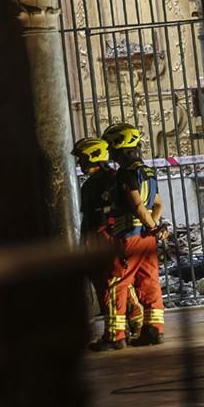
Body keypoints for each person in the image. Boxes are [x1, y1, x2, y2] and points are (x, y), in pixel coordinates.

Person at [95, 122, 166, 350]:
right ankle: (154, 329)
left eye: (113, 149)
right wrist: (154, 228)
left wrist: (150, 225)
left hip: (129, 236)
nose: (112, 154)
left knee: (117, 282)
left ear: (121, 148)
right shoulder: (147, 171)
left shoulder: (127, 174)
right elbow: (158, 204)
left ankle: (115, 336)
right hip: (146, 236)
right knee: (149, 279)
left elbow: (138, 206)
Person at [71, 137, 118, 320]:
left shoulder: (113, 179)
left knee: (115, 279)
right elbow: (87, 216)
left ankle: (127, 320)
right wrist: (84, 240)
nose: (80, 163)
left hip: (111, 235)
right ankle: (110, 314)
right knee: (97, 277)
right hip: (94, 236)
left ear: (94, 155)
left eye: (82, 158)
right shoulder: (88, 185)